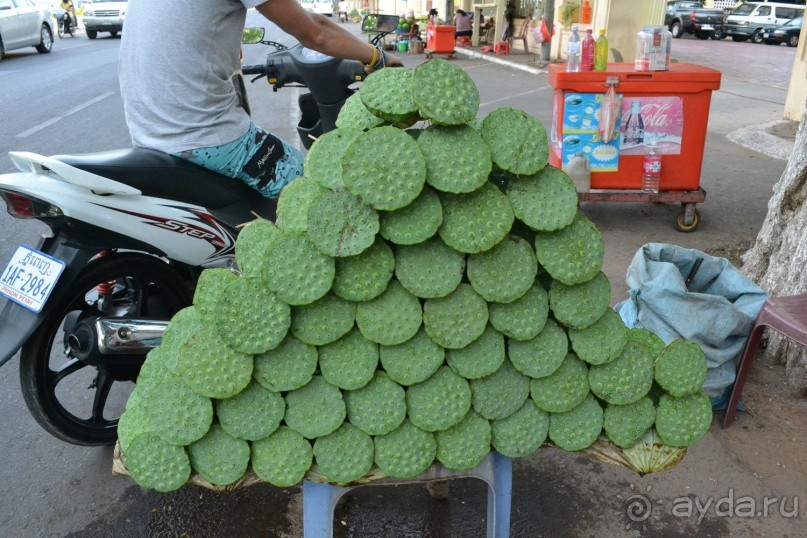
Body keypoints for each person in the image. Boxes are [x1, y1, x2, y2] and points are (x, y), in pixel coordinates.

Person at [118, 0, 402, 199]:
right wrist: (377, 57)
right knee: (321, 194)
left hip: (148, 135)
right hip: (206, 136)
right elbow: (315, 32)